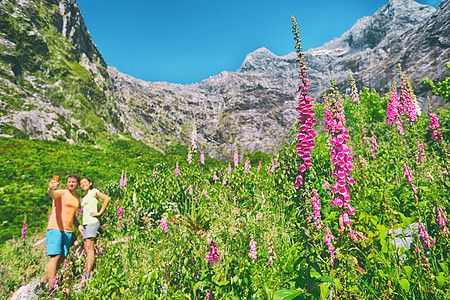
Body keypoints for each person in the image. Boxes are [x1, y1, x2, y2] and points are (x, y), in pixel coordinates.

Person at [35, 174, 83, 293]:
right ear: (66, 183)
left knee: (61, 258)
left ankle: (43, 283)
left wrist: (78, 225)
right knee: (55, 256)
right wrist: (50, 188)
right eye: (69, 182)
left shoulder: (77, 199)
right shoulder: (61, 192)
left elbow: (73, 215)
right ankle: (52, 287)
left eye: (73, 182)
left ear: (77, 184)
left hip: (67, 231)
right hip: (55, 228)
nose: (71, 184)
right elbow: (52, 193)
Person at [80, 177, 111, 280]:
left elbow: (107, 198)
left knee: (89, 248)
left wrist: (99, 213)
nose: (83, 184)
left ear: (90, 183)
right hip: (85, 224)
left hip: (92, 223)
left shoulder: (94, 191)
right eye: (81, 183)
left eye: (85, 182)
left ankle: (88, 274)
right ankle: (91, 271)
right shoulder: (85, 197)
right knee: (87, 248)